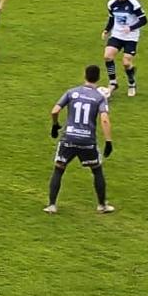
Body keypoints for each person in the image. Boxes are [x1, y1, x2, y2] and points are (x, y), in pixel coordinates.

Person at [46, 63, 115, 214]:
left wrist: (55, 125)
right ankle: (102, 205)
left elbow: (55, 110)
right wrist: (108, 141)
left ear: (84, 75)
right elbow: (104, 119)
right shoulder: (99, 97)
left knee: (59, 169)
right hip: (87, 141)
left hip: (68, 138)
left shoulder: (72, 92)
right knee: (97, 171)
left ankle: (51, 205)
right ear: (98, 78)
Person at [103, 0, 147, 95]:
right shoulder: (112, 4)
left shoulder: (133, 4)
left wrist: (131, 28)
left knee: (126, 63)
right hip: (117, 35)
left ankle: (131, 83)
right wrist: (107, 30)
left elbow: (143, 20)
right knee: (107, 56)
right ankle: (113, 82)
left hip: (131, 37)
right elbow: (112, 18)